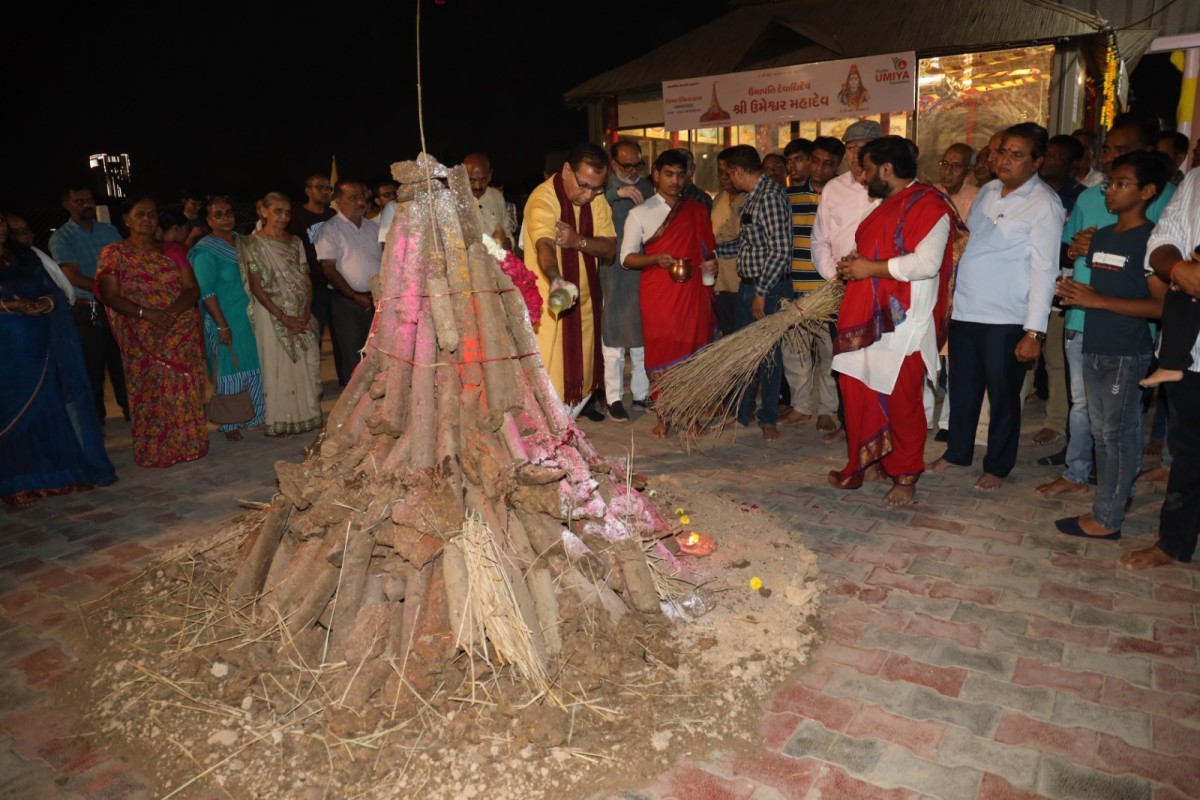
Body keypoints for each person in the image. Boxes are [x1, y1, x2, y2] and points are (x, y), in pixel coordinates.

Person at [1037, 112, 1174, 498]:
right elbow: (1068, 247)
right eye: (1108, 151)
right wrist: (1078, 249)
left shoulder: (1166, 205)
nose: (1111, 163)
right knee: (1086, 409)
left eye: (1122, 152)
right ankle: (1080, 473)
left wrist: (1098, 295)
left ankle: (1114, 494)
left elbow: (1159, 290)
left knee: (1119, 422)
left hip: (1125, 332)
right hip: (1084, 319)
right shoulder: (1093, 197)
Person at [929, 122, 1063, 491]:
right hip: (967, 312)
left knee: (1003, 396)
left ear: (1037, 162)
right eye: (1001, 151)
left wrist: (1034, 331)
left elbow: (1045, 269)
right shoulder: (988, 190)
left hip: (1006, 318)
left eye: (1016, 155)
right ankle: (957, 451)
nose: (1004, 160)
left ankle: (998, 465)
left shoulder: (1044, 204)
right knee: (963, 389)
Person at [829, 136, 963, 505]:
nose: (862, 177)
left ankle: (905, 476)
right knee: (859, 390)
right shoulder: (888, 204)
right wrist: (855, 265)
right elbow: (880, 251)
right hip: (870, 317)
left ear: (887, 169)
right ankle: (870, 459)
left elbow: (926, 264)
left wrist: (868, 267)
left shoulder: (930, 205)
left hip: (905, 321)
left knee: (901, 400)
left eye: (868, 169)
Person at [1053, 151, 1170, 541]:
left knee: (1114, 434)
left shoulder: (1152, 241)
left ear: (1148, 191)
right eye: (1110, 183)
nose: (1111, 191)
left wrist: (1097, 301)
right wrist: (1072, 293)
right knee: (1111, 432)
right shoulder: (1101, 237)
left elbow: (1160, 306)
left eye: (1122, 184)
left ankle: (1107, 518)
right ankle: (1117, 499)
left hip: (1125, 350)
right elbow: (1101, 289)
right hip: (1094, 342)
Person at [1, 211, 116, 508]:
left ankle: (57, 475)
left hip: (42, 348)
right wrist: (12, 305)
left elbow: (55, 290)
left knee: (50, 411)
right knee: (14, 417)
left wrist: (42, 302)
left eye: (1, 220)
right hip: (7, 357)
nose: (0, 228)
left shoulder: (26, 257)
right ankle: (19, 481)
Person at [1119, 166, 1200, 569]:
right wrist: (1179, 269)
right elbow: (1163, 240)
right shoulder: (1196, 180)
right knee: (1189, 453)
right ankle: (1174, 542)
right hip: (1193, 352)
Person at [95, 195, 209, 468]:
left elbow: (191, 288)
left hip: (178, 327)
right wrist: (148, 315)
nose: (146, 219)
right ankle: (156, 449)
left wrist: (168, 315)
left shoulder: (172, 249)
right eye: (140, 214)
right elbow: (110, 294)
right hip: (139, 331)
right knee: (150, 392)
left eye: (152, 214)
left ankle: (190, 444)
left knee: (184, 388)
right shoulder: (114, 253)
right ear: (126, 219)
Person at [620, 149, 718, 437]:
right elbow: (626, 258)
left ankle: (693, 415)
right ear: (656, 175)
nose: (675, 181)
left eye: (680, 174)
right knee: (663, 350)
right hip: (659, 295)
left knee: (693, 353)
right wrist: (654, 258)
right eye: (669, 174)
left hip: (693, 294)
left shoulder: (697, 210)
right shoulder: (640, 213)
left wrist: (711, 262)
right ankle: (665, 415)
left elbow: (706, 249)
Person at [522, 142, 617, 418]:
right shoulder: (543, 199)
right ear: (566, 170)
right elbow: (545, 246)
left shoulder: (596, 200)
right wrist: (555, 279)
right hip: (549, 306)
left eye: (596, 188)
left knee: (584, 379)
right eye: (584, 185)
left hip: (585, 307)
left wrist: (577, 240)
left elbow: (610, 248)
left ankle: (563, 439)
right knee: (550, 383)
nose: (588, 195)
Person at [713, 144, 792, 441]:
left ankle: (768, 418)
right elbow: (749, 244)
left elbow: (781, 249)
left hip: (768, 287)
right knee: (744, 351)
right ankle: (741, 413)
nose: (728, 178)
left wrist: (761, 291)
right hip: (749, 285)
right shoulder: (750, 198)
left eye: (727, 172)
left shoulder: (769, 197)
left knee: (769, 354)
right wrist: (711, 252)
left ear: (737, 171)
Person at [811, 120, 883, 439]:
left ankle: (878, 426)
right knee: (845, 360)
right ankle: (849, 423)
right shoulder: (833, 189)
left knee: (877, 360)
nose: (855, 155)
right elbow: (819, 241)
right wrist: (833, 279)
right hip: (841, 292)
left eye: (861, 148)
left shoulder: (890, 187)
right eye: (850, 148)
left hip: (881, 288)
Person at [237, 192, 323, 437]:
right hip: (271, 312)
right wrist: (284, 317)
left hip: (300, 310)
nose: (284, 217)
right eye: (277, 211)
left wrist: (306, 313)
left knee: (307, 362)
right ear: (263, 212)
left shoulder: (295, 241)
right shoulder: (251, 244)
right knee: (279, 364)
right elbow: (256, 286)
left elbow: (306, 278)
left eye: (287, 212)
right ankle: (282, 420)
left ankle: (308, 416)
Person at [49, 184, 129, 425]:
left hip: (115, 305)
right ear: (66, 204)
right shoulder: (61, 237)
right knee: (92, 367)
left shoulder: (109, 230)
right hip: (88, 307)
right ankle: (96, 420)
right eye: (79, 201)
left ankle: (131, 411)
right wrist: (107, 291)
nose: (86, 205)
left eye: (89, 200)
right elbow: (71, 275)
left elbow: (123, 264)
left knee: (122, 362)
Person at [1027, 134, 1086, 449]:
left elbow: (1074, 249)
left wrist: (1053, 247)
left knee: (1056, 358)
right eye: (1045, 154)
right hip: (1031, 283)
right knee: (1025, 355)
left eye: (1055, 156)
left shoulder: (1082, 198)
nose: (1047, 160)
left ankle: (1055, 421)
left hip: (1063, 285)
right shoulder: (1032, 191)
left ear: (1073, 164)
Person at [189, 196, 265, 442]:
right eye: (218, 215)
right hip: (224, 318)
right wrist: (222, 324)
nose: (225, 218)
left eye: (229, 213)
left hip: (249, 317)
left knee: (254, 363)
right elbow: (206, 291)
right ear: (209, 220)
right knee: (228, 367)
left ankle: (255, 415)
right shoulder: (205, 251)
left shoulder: (243, 243)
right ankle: (229, 421)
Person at [780, 138, 837, 427]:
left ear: (837, 165)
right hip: (797, 289)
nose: (819, 168)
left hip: (830, 292)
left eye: (827, 163)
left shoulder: (844, 196)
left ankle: (827, 410)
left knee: (829, 353)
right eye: (815, 160)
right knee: (796, 353)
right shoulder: (788, 197)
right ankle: (801, 405)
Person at [599, 140, 654, 422]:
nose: (633, 171)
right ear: (613, 164)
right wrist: (615, 193)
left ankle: (641, 393)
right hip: (611, 272)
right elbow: (587, 205)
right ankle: (614, 397)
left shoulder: (646, 187)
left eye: (638, 165)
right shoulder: (602, 186)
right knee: (613, 337)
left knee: (642, 335)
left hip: (641, 270)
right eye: (626, 166)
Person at [315, 180, 381, 387]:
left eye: (363, 197)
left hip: (376, 299)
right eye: (353, 197)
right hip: (347, 300)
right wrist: (354, 296)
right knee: (352, 352)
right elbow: (329, 269)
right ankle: (352, 404)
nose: (360, 202)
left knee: (377, 351)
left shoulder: (373, 227)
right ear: (338, 201)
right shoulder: (330, 229)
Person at [287, 173, 338, 379]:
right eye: (321, 188)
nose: (326, 192)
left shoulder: (333, 215)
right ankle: (311, 381)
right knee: (313, 337)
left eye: (329, 188)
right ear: (308, 190)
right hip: (311, 286)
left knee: (341, 336)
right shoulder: (297, 217)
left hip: (334, 284)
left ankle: (347, 380)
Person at [711, 153, 747, 336]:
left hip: (743, 281)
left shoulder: (749, 199)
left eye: (728, 173)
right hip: (720, 281)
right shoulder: (718, 200)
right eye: (720, 173)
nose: (724, 178)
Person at [464, 154, 515, 251]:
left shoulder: (497, 197)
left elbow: (507, 231)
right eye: (471, 180)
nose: (478, 186)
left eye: (483, 179)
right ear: (463, 176)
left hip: (499, 263)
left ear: (490, 175)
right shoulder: (456, 202)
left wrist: (509, 242)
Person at [936, 143, 978, 221]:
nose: (948, 171)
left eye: (956, 166)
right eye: (944, 164)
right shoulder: (931, 193)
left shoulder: (976, 198)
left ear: (969, 171)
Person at [675, 148, 713, 213]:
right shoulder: (665, 197)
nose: (675, 178)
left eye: (681, 171)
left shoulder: (701, 199)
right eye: (669, 173)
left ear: (692, 169)